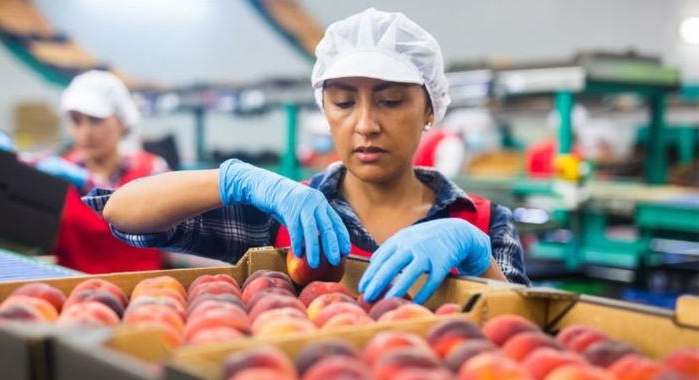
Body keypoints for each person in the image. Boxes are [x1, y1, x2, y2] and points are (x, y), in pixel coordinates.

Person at [85, 8, 529, 303]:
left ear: (431, 109)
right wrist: (233, 179)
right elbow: (123, 213)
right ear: (325, 111)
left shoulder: (481, 224)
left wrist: (480, 259)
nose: (366, 124)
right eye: (343, 103)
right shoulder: (284, 218)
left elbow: (528, 330)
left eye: (391, 101)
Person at [38, 70, 171, 273]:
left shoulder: (153, 170)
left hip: (142, 289)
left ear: (121, 121)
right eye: (76, 121)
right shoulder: (57, 172)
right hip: (72, 289)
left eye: (96, 120)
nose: (86, 132)